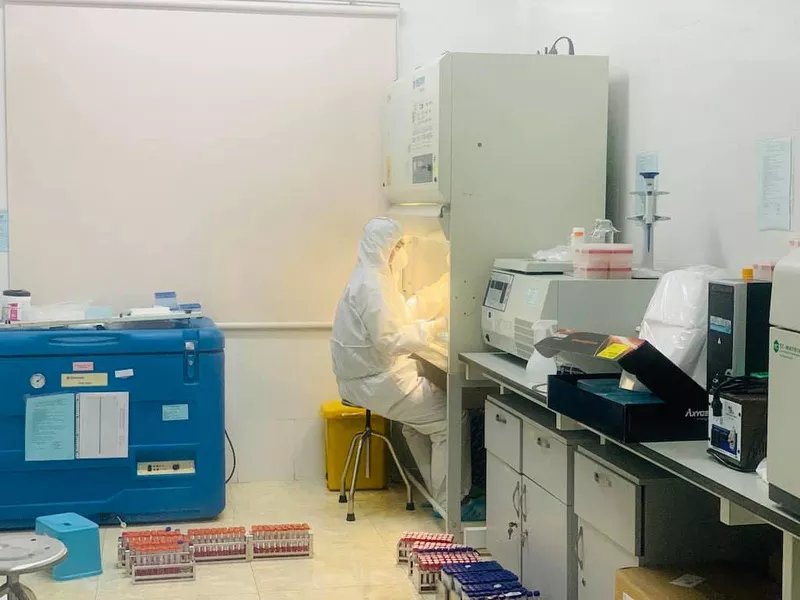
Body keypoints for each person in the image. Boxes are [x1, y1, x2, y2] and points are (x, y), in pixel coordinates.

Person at [330, 217, 472, 512]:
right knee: (450, 420)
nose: (402, 251)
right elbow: (392, 340)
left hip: (368, 377)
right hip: (376, 382)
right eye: (399, 245)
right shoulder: (372, 286)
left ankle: (436, 492)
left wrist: (444, 287)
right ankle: (451, 504)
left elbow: (401, 314)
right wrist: (437, 326)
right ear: (387, 249)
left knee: (416, 423)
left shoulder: (371, 277)